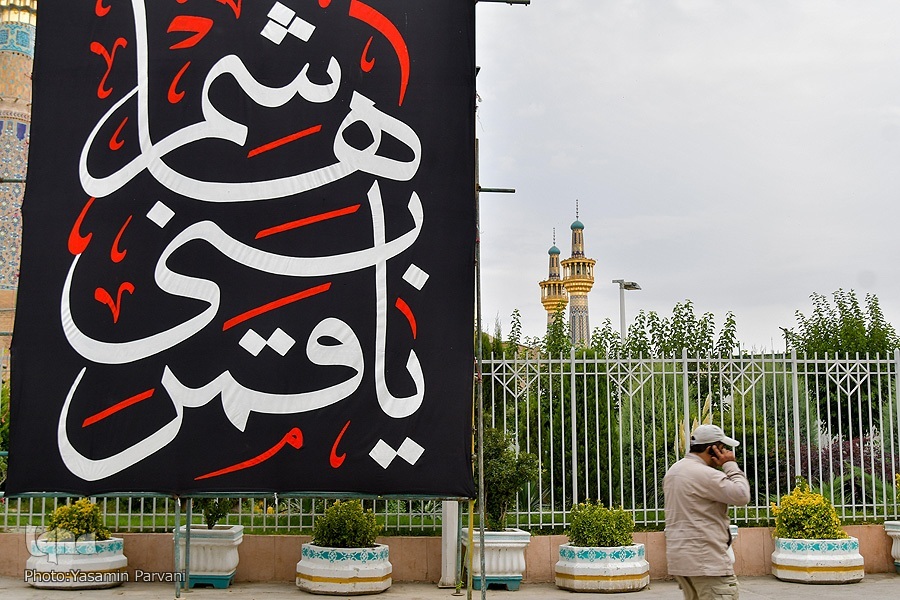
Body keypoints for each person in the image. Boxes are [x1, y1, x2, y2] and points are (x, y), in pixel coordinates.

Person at [663, 424, 751, 600]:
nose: (725, 452)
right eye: (722, 448)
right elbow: (742, 495)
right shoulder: (705, 474)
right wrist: (730, 465)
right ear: (713, 449)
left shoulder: (674, 471)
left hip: (682, 561)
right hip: (708, 562)